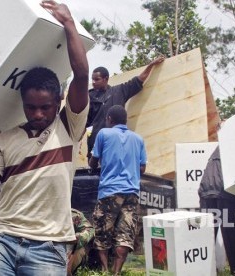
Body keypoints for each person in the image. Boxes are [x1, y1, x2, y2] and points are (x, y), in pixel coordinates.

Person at [0, 1, 89, 275]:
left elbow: (81, 75)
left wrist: (68, 23)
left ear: (59, 101)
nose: (37, 113)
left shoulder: (68, 127)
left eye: (45, 107)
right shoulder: (7, 137)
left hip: (49, 245)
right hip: (3, 239)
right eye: (30, 106)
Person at [88, 105, 147, 275]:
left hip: (109, 191)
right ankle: (116, 273)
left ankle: (105, 270)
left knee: (103, 232)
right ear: (125, 120)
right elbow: (142, 168)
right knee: (125, 233)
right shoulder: (138, 139)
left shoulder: (104, 134)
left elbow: (94, 161)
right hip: (132, 193)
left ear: (109, 119)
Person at [86, 56, 165, 159]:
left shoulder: (119, 91)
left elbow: (138, 80)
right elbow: (85, 124)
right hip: (96, 145)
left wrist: (151, 65)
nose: (93, 82)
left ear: (106, 79)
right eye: (92, 79)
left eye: (97, 79)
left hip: (116, 145)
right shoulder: (89, 97)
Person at [198, 145, 235, 275]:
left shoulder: (223, 142)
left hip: (207, 187)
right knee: (231, 231)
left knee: (207, 232)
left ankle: (205, 269)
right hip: (226, 188)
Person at [67, 208, 95, 276]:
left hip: (70, 249)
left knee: (79, 249)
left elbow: (90, 230)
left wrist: (79, 238)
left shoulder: (74, 214)